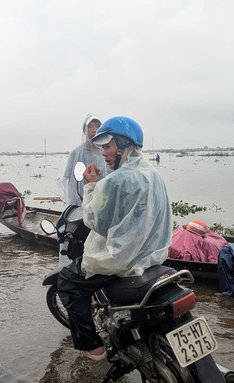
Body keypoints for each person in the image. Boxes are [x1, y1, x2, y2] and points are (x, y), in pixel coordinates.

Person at [56, 116, 172, 360]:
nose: (104, 153)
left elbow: (94, 220)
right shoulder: (153, 174)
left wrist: (91, 185)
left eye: (108, 147)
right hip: (152, 256)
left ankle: (93, 347)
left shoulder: (117, 180)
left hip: (122, 259)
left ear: (122, 147)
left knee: (67, 282)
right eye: (101, 147)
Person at [56, 114, 110, 206]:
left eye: (97, 126)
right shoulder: (76, 153)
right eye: (90, 126)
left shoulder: (106, 152)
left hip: (103, 200)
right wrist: (73, 204)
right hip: (83, 201)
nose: (94, 130)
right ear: (84, 130)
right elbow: (67, 181)